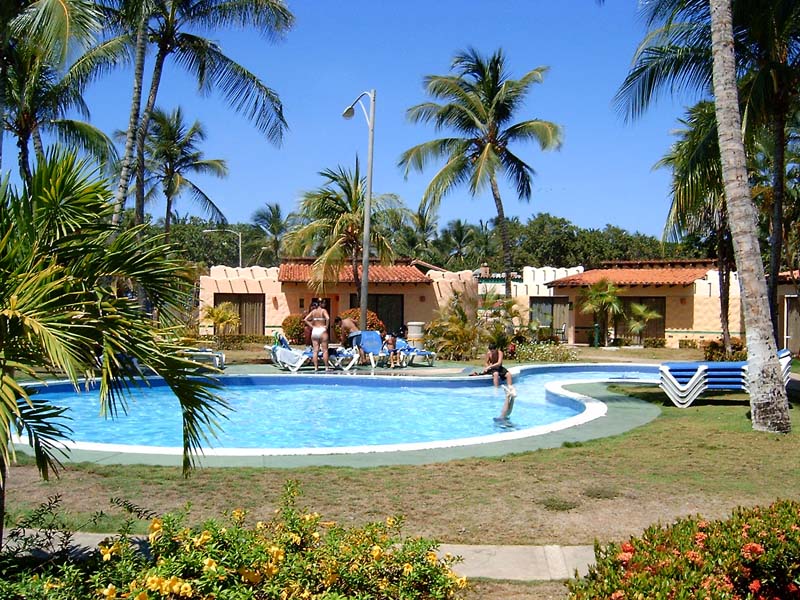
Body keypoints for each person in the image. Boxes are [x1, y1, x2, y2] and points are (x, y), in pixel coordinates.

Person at [470, 343, 516, 419]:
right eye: (491, 350)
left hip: (498, 367)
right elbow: (486, 362)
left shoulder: (500, 352)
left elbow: (499, 363)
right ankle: (496, 389)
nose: (492, 352)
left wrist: (490, 366)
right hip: (492, 369)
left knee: (508, 375)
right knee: (495, 374)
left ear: (496, 349)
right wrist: (487, 367)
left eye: (493, 350)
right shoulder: (488, 354)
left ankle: (510, 388)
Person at [303, 301, 330, 371]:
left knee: (315, 351)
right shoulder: (323, 311)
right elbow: (328, 318)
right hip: (322, 330)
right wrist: (326, 326)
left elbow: (305, 319)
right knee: (325, 350)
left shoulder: (313, 312)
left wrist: (312, 326)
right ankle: (326, 367)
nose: (324, 304)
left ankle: (316, 367)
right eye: (323, 303)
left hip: (315, 330)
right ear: (320, 304)